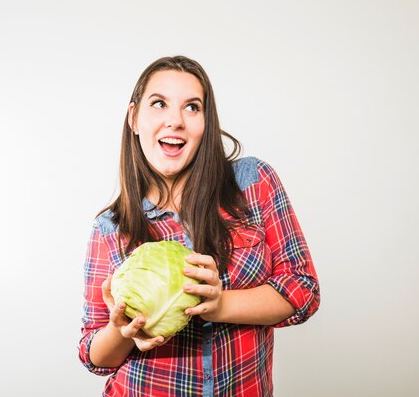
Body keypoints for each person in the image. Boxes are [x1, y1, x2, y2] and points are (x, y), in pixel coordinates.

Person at [78, 55, 320, 397]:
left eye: (192, 107)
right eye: (159, 104)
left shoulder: (252, 182)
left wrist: (221, 305)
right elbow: (93, 355)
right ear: (134, 118)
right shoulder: (111, 227)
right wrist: (121, 330)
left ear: (206, 122)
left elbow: (303, 289)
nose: (175, 120)